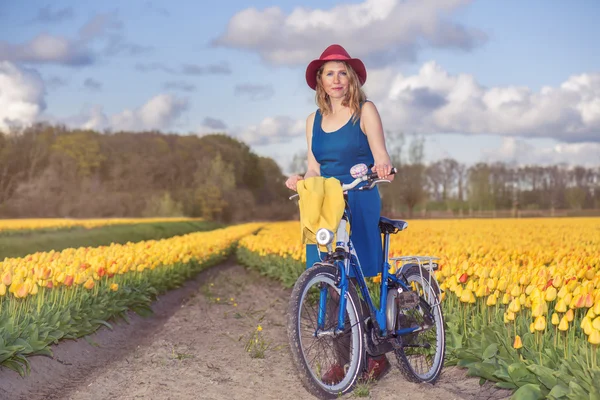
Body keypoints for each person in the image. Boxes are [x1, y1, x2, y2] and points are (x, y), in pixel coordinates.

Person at [285, 44, 395, 383]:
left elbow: (381, 153)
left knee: (353, 274)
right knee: (330, 280)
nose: (336, 79)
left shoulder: (365, 110)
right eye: (329, 73)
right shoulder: (312, 121)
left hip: (357, 196)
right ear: (320, 80)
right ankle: (346, 360)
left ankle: (368, 357)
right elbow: (315, 168)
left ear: (351, 78)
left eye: (342, 73)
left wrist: (382, 165)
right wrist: (303, 180)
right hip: (325, 204)